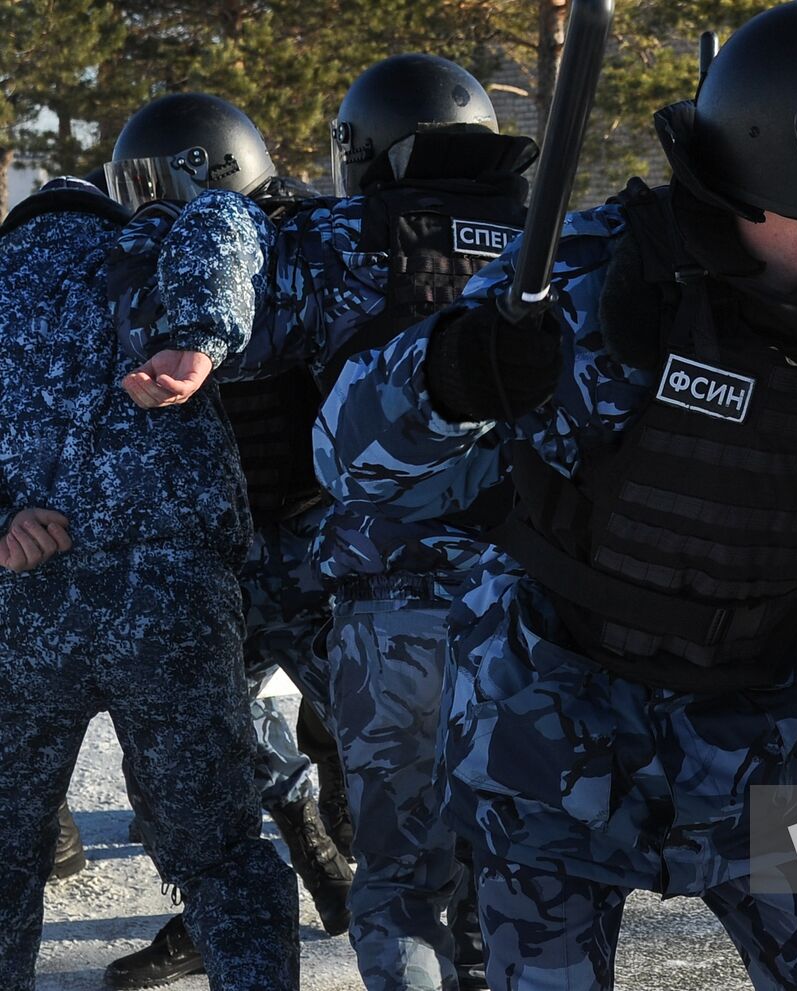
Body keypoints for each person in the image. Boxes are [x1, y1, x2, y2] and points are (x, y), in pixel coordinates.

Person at [314, 3, 797, 988]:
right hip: (549, 734)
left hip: (758, 739)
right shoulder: (595, 280)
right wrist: (452, 376)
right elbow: (346, 456)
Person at [124, 54, 537, 991]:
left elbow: (244, 333)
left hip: (387, 600)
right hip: (539, 602)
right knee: (524, 868)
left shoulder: (338, 238)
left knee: (401, 882)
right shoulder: (560, 241)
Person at [0, 169, 299, 989]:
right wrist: (201, 337)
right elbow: (227, 216)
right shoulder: (146, 251)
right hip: (171, 591)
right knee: (220, 855)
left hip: (27, 606)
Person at [98, 92, 354, 990]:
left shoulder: (317, 246)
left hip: (320, 544)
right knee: (204, 751)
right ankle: (268, 888)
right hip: (227, 556)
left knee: (396, 743)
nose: (140, 203)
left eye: (150, 181)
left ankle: (425, 913)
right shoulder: (149, 266)